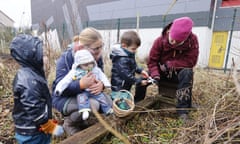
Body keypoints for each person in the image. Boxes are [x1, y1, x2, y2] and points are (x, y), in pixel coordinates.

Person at [52, 27, 112, 136]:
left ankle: (83, 119)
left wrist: (101, 85)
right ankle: (70, 124)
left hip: (87, 93)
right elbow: (61, 88)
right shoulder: (65, 59)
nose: (99, 52)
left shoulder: (95, 55)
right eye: (96, 48)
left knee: (108, 103)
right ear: (82, 47)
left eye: (101, 47)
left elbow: (99, 73)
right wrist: (80, 84)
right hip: (64, 97)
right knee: (93, 105)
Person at [10, 34, 64, 144]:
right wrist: (49, 126)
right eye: (43, 55)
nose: (47, 58)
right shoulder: (28, 80)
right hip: (31, 132)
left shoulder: (33, 73)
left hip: (36, 127)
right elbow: (33, 107)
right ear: (31, 56)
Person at [147, 17, 199, 120]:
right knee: (142, 78)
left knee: (187, 72)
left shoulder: (192, 41)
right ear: (169, 31)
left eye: (177, 42)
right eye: (172, 39)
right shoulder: (159, 41)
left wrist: (171, 64)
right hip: (161, 72)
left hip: (178, 73)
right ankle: (138, 101)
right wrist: (155, 75)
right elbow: (152, 62)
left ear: (185, 39)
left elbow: (191, 61)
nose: (173, 42)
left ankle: (182, 111)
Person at [54, 49, 113, 120]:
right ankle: (84, 111)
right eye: (85, 64)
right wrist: (59, 89)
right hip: (82, 91)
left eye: (90, 63)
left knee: (102, 98)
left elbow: (102, 76)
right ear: (79, 64)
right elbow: (65, 81)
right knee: (82, 99)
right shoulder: (75, 72)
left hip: (94, 91)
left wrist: (105, 84)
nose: (89, 66)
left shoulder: (95, 69)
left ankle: (107, 110)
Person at [110, 30, 149, 103]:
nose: (135, 51)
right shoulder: (121, 59)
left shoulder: (129, 54)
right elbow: (126, 75)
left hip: (126, 85)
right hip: (119, 86)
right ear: (124, 46)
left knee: (126, 98)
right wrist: (139, 81)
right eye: (133, 49)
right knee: (121, 102)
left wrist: (141, 71)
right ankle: (117, 110)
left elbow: (133, 65)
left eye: (136, 49)